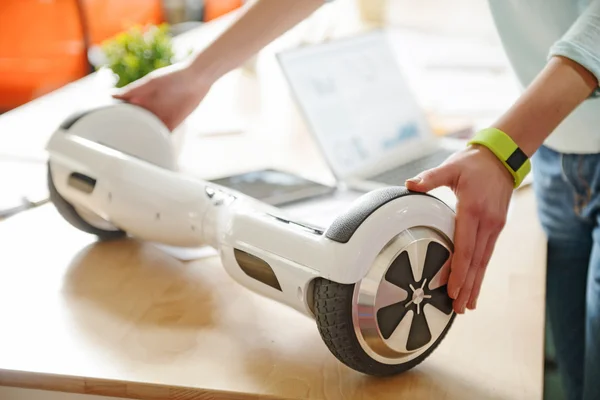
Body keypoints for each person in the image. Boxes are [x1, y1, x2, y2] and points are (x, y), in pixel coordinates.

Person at [113, 1, 600, 398]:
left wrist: (501, 149)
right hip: (557, 147)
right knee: (579, 366)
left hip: (539, 138)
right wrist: (198, 74)